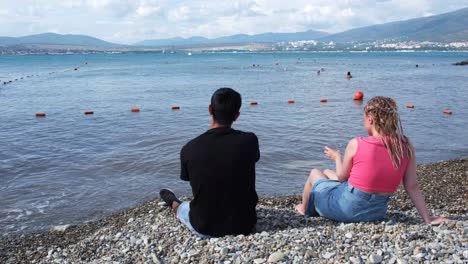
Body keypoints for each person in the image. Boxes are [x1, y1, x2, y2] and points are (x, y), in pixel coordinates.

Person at [295, 96, 448, 224]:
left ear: (370, 119)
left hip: (344, 209)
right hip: (375, 213)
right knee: (328, 172)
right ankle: (321, 186)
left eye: (363, 118)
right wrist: (427, 218)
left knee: (315, 173)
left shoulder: (357, 143)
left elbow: (342, 178)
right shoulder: (406, 145)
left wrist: (337, 157)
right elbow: (412, 186)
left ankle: (304, 208)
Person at [160, 87, 260, 237]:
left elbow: (189, 178)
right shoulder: (250, 140)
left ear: (209, 109)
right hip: (245, 223)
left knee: (182, 208)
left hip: (205, 226)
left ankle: (173, 203)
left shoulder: (189, 148)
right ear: (237, 115)